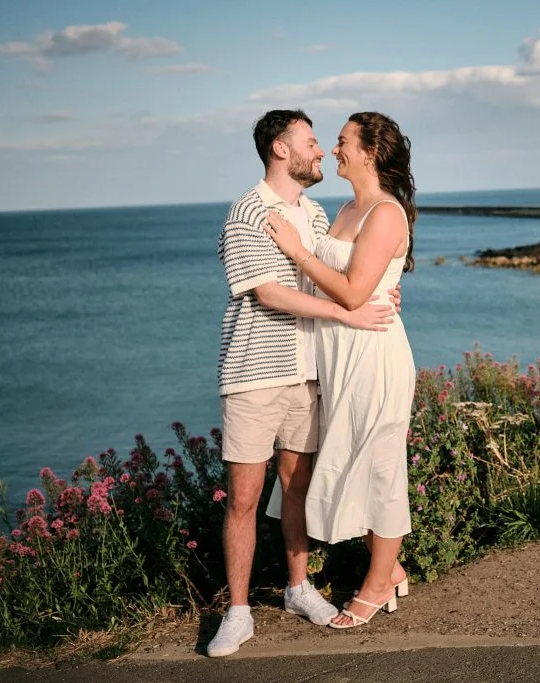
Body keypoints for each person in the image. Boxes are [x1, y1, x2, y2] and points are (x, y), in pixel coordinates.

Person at [209, 109, 400, 657]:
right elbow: (268, 293)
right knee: (244, 498)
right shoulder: (247, 212)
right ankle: (239, 613)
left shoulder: (315, 214)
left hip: (310, 370)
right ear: (279, 149)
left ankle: (298, 588)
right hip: (254, 373)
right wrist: (349, 315)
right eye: (312, 143)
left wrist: (380, 291)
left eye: (325, 143)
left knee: (297, 486)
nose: (321, 152)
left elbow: (344, 274)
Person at [263, 111, 416, 629]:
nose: (333, 150)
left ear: (371, 152)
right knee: (355, 460)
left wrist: (296, 249)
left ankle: (377, 584)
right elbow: (348, 281)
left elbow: (351, 291)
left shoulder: (386, 214)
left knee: (381, 467)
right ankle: (389, 567)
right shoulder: (347, 208)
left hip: (373, 355)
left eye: (343, 141)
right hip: (339, 356)